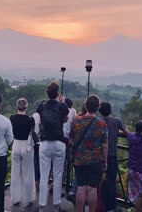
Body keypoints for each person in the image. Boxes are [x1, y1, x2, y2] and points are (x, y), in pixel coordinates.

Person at [69, 95, 108, 212]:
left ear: (85, 106)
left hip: (79, 159)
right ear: (98, 107)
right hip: (95, 161)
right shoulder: (101, 124)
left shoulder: (76, 120)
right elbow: (105, 145)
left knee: (80, 188)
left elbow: (71, 138)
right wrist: (105, 161)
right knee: (92, 189)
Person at [36, 81, 69, 212]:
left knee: (44, 176)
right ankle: (56, 206)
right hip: (59, 143)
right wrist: (62, 102)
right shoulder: (62, 106)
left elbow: (42, 117)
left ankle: (41, 207)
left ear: (47, 93)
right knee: (57, 175)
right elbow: (65, 120)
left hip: (44, 144)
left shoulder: (41, 106)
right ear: (58, 93)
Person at [99, 101, 128, 212]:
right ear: (110, 110)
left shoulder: (98, 122)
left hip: (99, 155)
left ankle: (99, 204)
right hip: (111, 155)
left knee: (99, 180)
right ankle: (111, 207)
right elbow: (127, 133)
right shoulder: (116, 121)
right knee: (111, 181)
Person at [10, 98, 36, 206]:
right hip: (26, 146)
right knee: (28, 173)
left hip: (15, 144)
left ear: (17, 107)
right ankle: (27, 199)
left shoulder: (12, 118)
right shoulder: (30, 119)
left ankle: (15, 198)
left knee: (15, 173)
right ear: (26, 107)